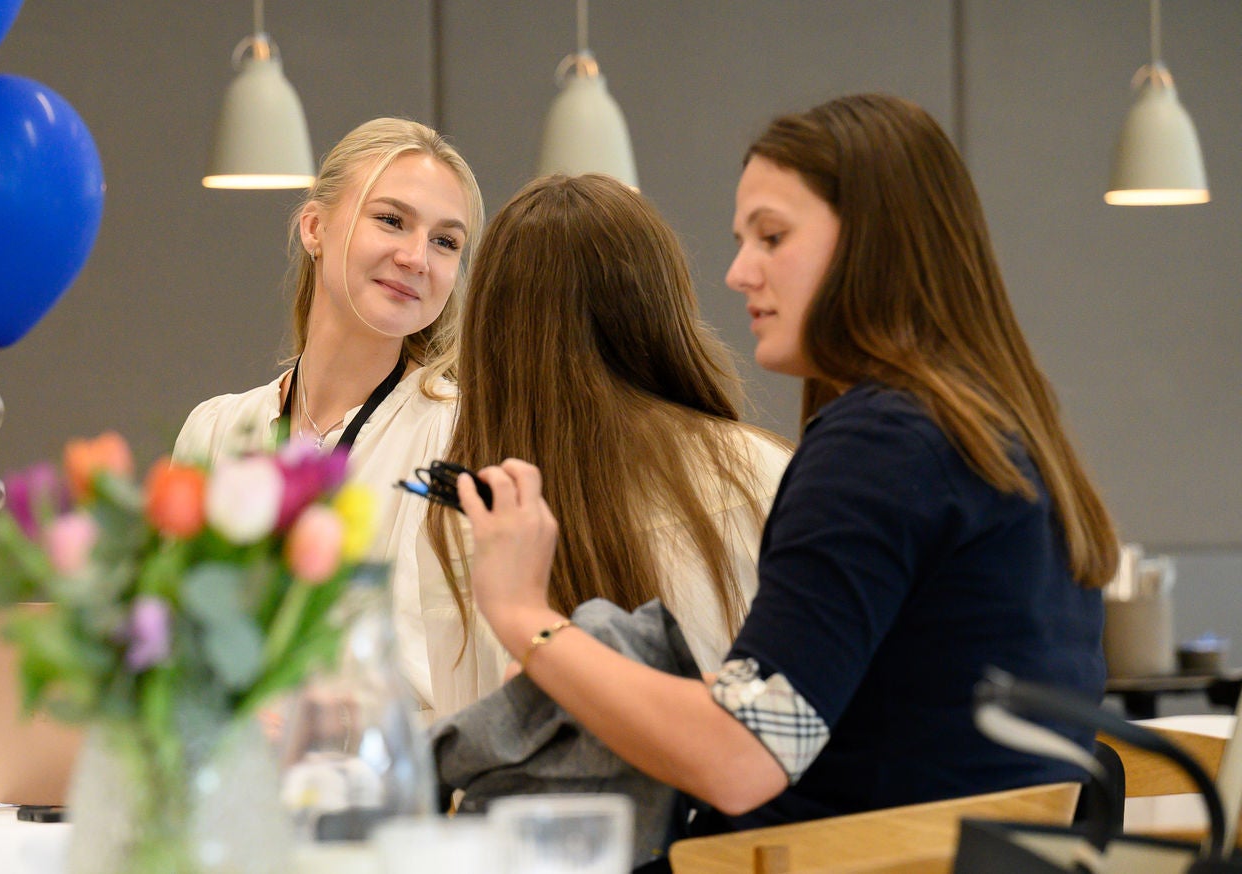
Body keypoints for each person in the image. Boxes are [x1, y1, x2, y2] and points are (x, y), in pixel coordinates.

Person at [456, 94, 1116, 829]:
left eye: (772, 237)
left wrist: (526, 618)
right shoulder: (997, 432)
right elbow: (855, 715)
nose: (739, 272)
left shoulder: (881, 445)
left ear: (875, 243)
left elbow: (743, 756)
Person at [424, 173, 791, 701]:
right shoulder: (767, 473)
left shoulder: (468, 518)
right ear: (662, 308)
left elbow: (470, 733)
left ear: (489, 323)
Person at [174, 117, 485, 721]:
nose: (416, 257)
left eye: (446, 242)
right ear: (314, 227)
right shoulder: (215, 432)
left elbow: (450, 690)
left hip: (383, 795)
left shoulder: (460, 437)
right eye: (392, 220)